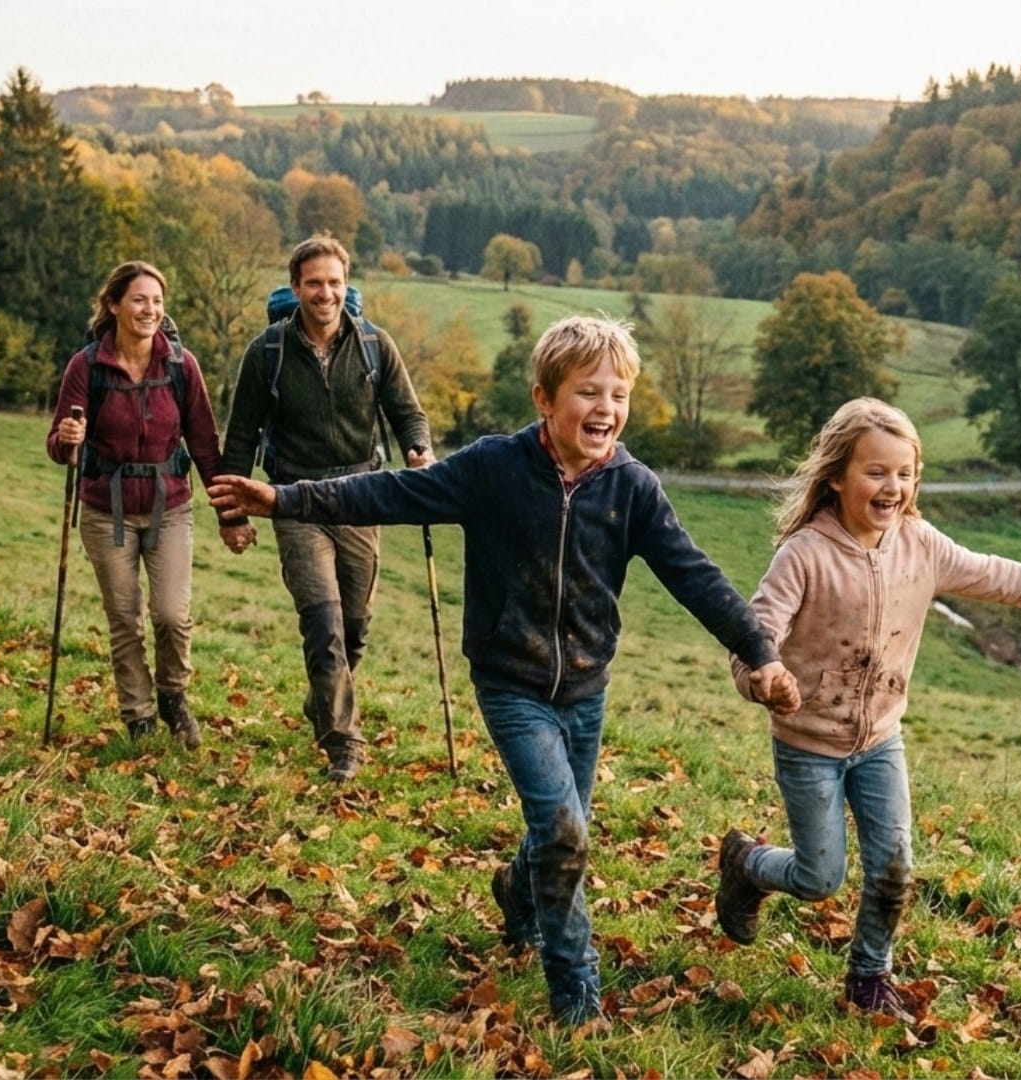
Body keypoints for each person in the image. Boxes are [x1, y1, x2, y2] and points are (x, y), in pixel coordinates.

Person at [208, 315, 798, 1025]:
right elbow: (388, 493)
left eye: (618, 394)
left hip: (585, 689)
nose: (605, 408)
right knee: (564, 833)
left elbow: (694, 575)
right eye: (587, 392)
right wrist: (284, 499)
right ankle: (577, 997)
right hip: (510, 683)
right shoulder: (493, 468)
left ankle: (517, 892)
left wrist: (759, 651)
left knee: (559, 833)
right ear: (545, 399)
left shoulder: (632, 488)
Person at [715, 397, 1021, 1023]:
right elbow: (754, 637)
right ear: (837, 475)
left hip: (880, 741)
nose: (893, 486)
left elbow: (998, 575)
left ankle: (869, 976)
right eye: (876, 472)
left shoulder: (921, 545)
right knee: (819, 877)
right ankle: (746, 863)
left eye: (905, 473)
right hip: (809, 743)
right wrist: (765, 678)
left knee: (894, 866)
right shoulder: (804, 554)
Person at [217, 235, 434, 783]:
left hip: (361, 497)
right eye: (314, 283)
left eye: (334, 282)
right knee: (323, 622)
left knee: (355, 627)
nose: (325, 293)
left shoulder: (374, 345)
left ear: (346, 285)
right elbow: (239, 439)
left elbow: (408, 413)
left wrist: (419, 451)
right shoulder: (267, 352)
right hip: (293, 499)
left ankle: (325, 699)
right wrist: (232, 514)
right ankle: (343, 743)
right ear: (296, 288)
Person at [46, 260, 236, 749]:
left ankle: (174, 696)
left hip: (169, 505)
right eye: (138, 299)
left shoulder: (180, 365)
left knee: (172, 614)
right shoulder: (86, 366)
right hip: (104, 509)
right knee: (124, 618)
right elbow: (60, 447)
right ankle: (139, 716)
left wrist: (228, 512)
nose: (149, 309)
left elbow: (204, 443)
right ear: (113, 305)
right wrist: (69, 438)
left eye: (156, 301)